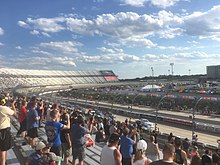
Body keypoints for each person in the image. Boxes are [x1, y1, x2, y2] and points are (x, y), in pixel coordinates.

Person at [0, 98, 16, 165]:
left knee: (2, 149)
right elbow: (14, 113)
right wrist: (13, 105)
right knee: (3, 149)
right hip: (3, 131)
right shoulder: (4, 108)